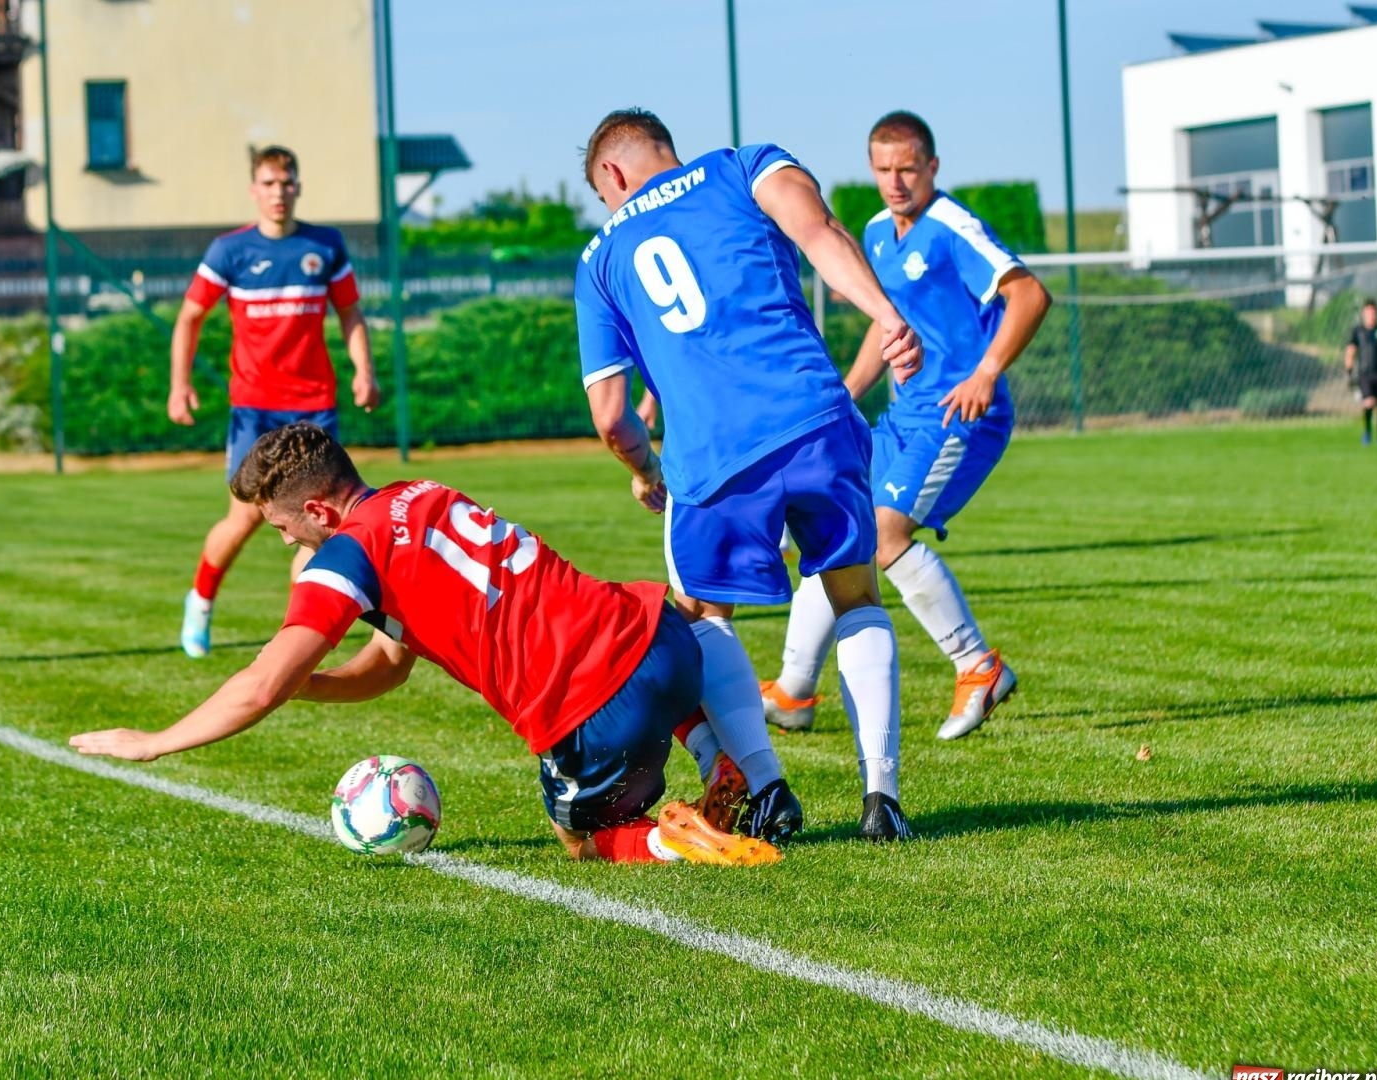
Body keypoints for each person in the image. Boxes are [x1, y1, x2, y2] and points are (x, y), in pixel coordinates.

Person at [70, 422, 780, 868]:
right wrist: (309, 685)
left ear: (317, 509)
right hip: (659, 638)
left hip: (593, 706)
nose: (284, 542)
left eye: (281, 527)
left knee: (580, 839)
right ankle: (720, 760)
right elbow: (389, 665)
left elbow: (259, 685)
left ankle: (671, 839)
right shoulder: (419, 492)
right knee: (656, 660)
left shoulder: (345, 555)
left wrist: (156, 741)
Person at [574, 108, 923, 842]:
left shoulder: (600, 258)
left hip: (712, 456)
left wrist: (642, 467)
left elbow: (610, 415)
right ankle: (882, 798)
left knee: (703, 616)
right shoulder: (743, 165)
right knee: (856, 596)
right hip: (815, 417)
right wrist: (886, 317)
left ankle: (766, 789)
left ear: (612, 174)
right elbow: (820, 232)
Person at [761, 111, 1052, 742]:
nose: (896, 182)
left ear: (932, 167)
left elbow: (1030, 294)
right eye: (884, 170)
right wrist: (846, 395)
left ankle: (978, 666)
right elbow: (885, 322)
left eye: (909, 169)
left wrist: (986, 372)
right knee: (837, 531)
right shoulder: (875, 232)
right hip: (902, 415)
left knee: (885, 536)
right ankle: (793, 690)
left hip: (959, 415)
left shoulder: (951, 226)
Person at [170, 145, 381, 659]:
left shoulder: (324, 246)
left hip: (314, 406)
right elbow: (190, 317)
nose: (278, 193)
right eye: (268, 184)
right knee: (244, 518)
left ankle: (296, 634)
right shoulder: (229, 251)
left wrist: (364, 370)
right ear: (254, 190)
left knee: (320, 521)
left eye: (286, 184)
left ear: (298, 187)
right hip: (255, 407)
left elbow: (350, 313)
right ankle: (200, 602)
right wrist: (180, 384)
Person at [1345, 298, 1377, 446]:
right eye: (1369, 312)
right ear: (1364, 313)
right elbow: (1351, 351)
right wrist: (1349, 372)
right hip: (1365, 373)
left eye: (1374, 312)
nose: (1372, 315)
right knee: (1369, 403)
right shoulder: (1358, 331)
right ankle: (1367, 434)